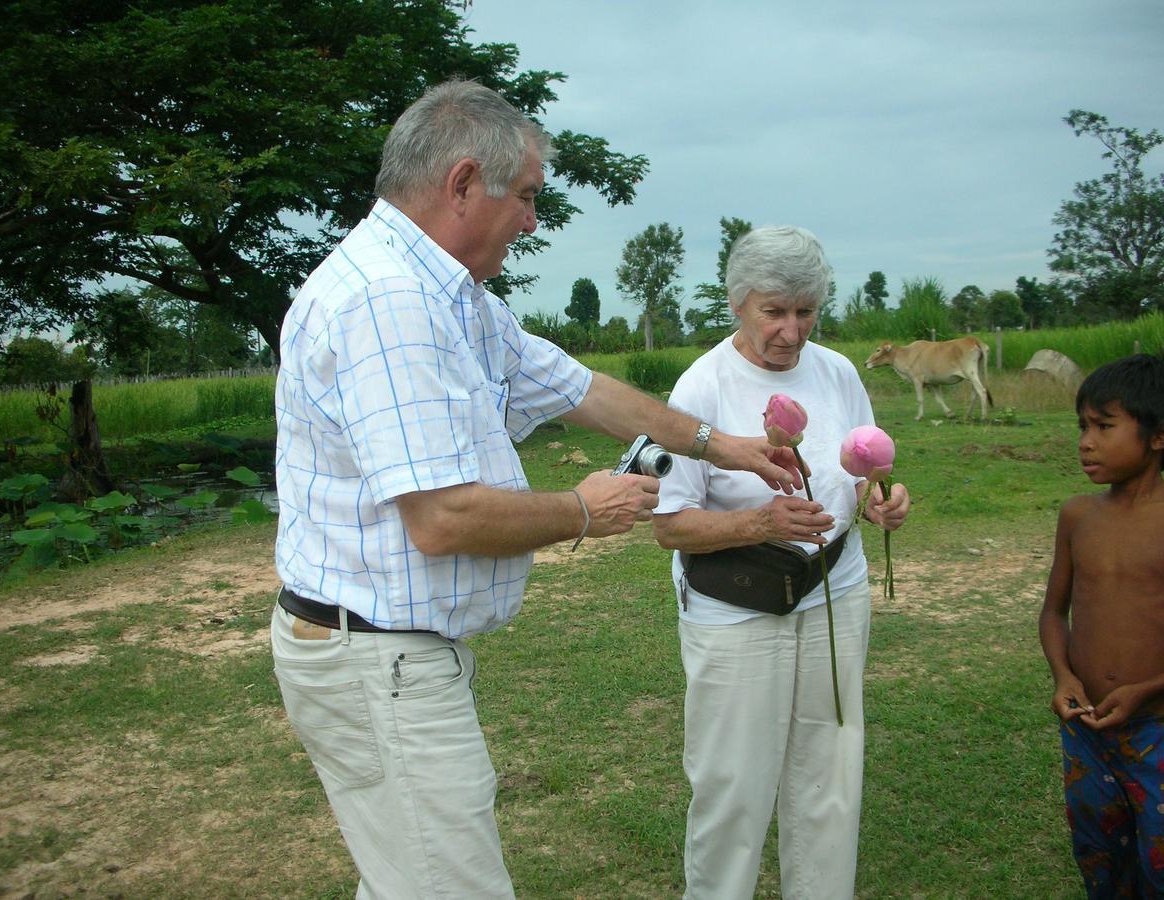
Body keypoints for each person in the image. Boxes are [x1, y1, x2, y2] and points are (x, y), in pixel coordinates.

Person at [270, 79, 803, 899]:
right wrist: (585, 510)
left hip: (390, 655)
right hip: (379, 660)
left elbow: (582, 388)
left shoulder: (454, 298)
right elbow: (443, 519)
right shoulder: (391, 302)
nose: (531, 220)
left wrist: (721, 445)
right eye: (524, 197)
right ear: (460, 184)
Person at [653, 225, 911, 900]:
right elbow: (670, 526)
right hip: (735, 610)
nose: (791, 332)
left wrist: (877, 498)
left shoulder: (838, 373)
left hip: (835, 593)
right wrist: (757, 521)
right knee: (733, 785)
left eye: (805, 311)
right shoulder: (701, 388)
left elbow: (858, 467)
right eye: (775, 311)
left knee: (830, 772)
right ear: (737, 303)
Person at [1038, 353, 1164, 899]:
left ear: (1157, 436)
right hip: (1086, 729)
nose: (1086, 441)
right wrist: (1063, 677)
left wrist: (1147, 690)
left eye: (1104, 427)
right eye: (1082, 427)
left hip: (1158, 727)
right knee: (1100, 859)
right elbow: (1052, 612)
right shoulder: (1078, 516)